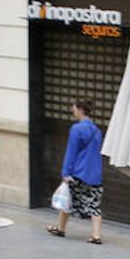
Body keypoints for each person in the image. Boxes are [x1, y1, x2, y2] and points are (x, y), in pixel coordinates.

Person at [47, 99, 104, 244]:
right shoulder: (97, 131)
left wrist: (66, 172)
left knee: (68, 199)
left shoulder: (76, 129)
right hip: (94, 174)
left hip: (78, 172)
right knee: (94, 204)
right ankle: (96, 235)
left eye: (73, 108)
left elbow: (71, 152)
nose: (73, 111)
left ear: (80, 110)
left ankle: (61, 228)